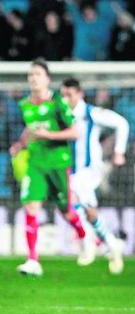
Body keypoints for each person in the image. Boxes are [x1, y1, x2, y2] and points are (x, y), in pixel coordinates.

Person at [9, 59, 87, 276]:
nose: (33, 78)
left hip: (58, 163)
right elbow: (29, 129)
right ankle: (33, 260)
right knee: (30, 207)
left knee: (66, 211)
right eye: (30, 75)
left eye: (38, 75)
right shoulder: (25, 104)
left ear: (47, 79)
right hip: (36, 163)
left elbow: (75, 132)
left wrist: (48, 135)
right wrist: (20, 144)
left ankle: (83, 236)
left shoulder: (57, 103)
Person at [60, 77, 129, 274]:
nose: (65, 99)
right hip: (72, 171)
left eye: (69, 95)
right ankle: (110, 242)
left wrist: (119, 151)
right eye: (63, 95)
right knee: (89, 211)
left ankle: (89, 243)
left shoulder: (91, 113)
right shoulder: (62, 116)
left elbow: (122, 123)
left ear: (79, 94)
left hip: (90, 170)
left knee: (72, 199)